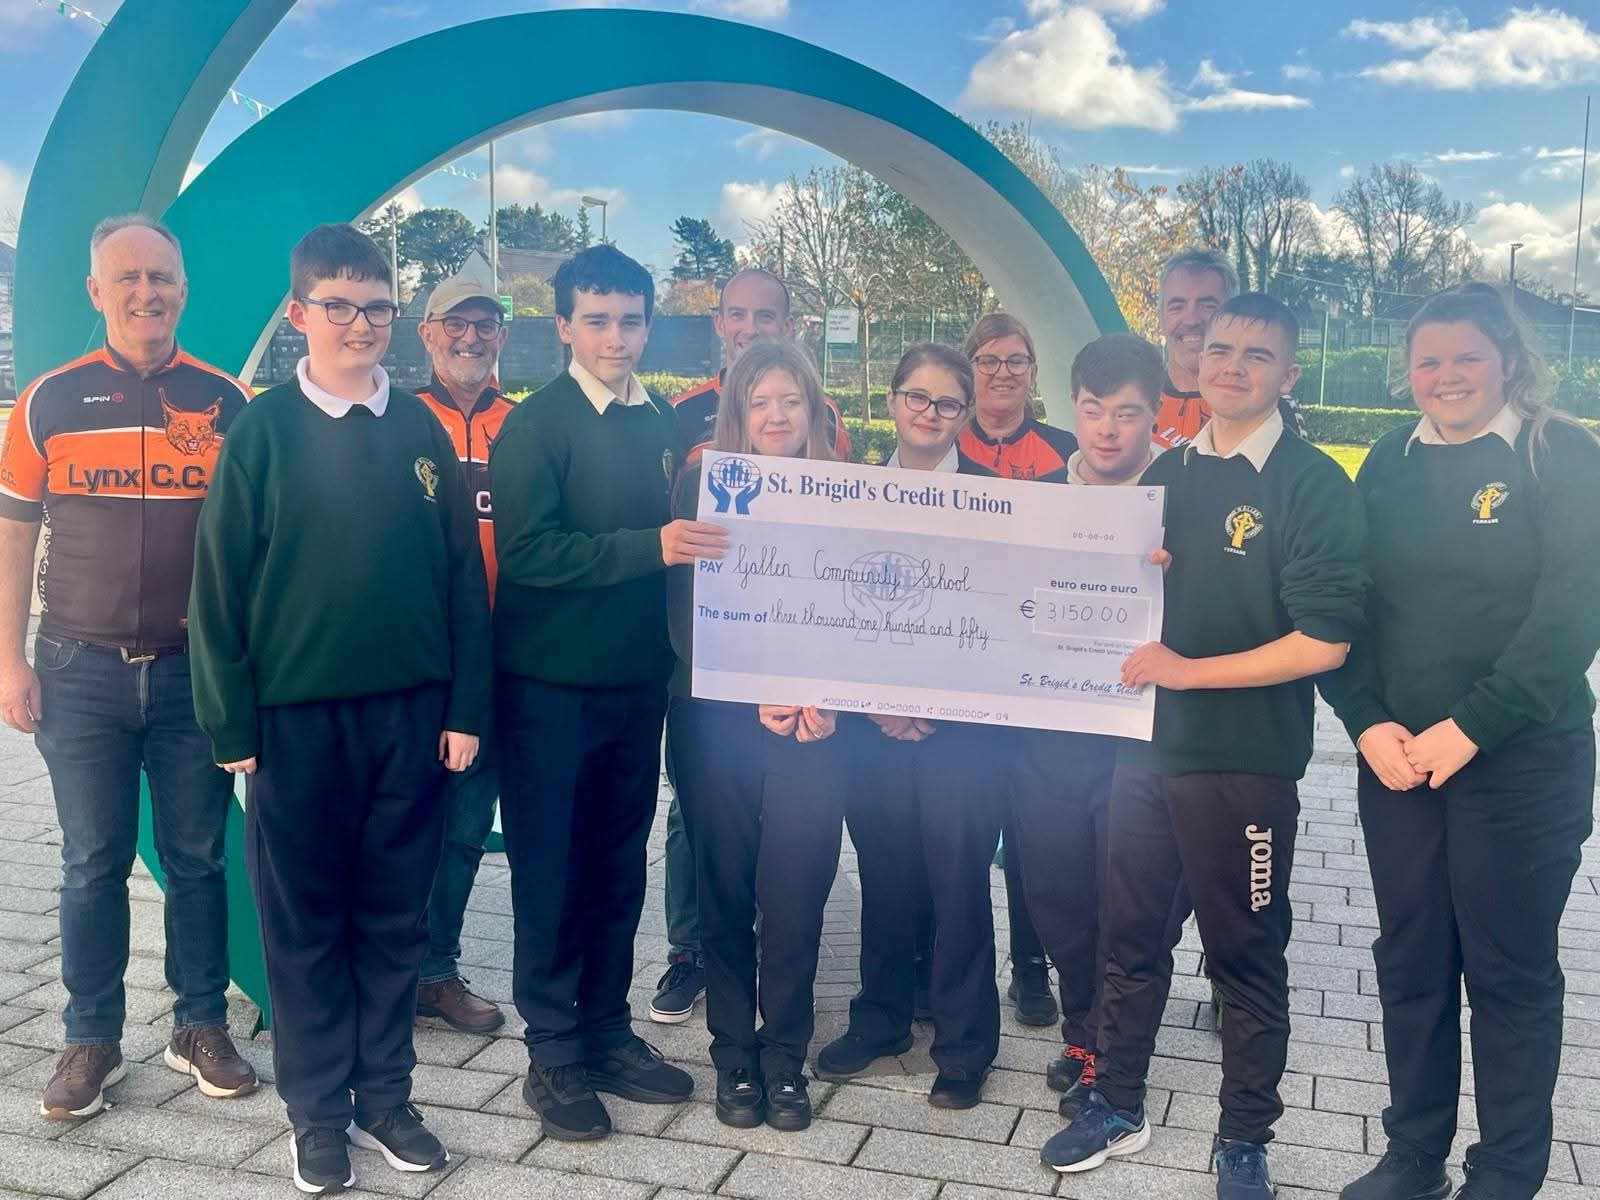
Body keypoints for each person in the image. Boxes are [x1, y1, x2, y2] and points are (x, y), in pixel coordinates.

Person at [1040, 295, 1367, 1200]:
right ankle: (1118, 1101)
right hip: (1148, 752)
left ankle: (1245, 1136)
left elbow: (1326, 642)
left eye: (1257, 356)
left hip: (1247, 763)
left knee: (1244, 955)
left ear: (1288, 374)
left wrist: (1186, 672)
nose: (1232, 366)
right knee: (1129, 938)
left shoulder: (1310, 482)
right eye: (1219, 349)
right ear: (1196, 361)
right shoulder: (1169, 474)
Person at [189, 223, 491, 1194]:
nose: (360, 324)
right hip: (295, 726)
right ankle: (317, 1113)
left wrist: (465, 708)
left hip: (411, 722)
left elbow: (461, 579)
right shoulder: (262, 431)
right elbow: (218, 588)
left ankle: (386, 1098)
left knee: (395, 922)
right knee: (306, 927)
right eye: (339, 306)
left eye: (377, 307)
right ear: (299, 312)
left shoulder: (421, 433)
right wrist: (232, 723)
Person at [1327, 284, 1600, 1200]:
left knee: (1508, 973)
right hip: (1401, 765)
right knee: (1411, 960)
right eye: (1428, 361)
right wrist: (1365, 719)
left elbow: (1571, 617)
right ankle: (1415, 1157)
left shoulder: (1560, 453)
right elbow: (1349, 603)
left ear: (1509, 361)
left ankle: (1506, 1174)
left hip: (1524, 763)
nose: (1446, 376)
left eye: (1467, 358)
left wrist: (1473, 727)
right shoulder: (1387, 461)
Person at [0, 214, 257, 1121]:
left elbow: (256, 546)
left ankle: (200, 1025)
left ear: (183, 290)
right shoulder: (48, 400)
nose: (147, 292)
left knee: (197, 859)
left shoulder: (230, 402)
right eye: (128, 277)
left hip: (195, 675)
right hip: (78, 670)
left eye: (161, 277)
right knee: (90, 863)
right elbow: (13, 536)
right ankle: (91, 1038)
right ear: (95, 291)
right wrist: (8, 660)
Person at [488, 243, 727, 1142]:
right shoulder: (535, 425)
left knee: (618, 868)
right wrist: (649, 547)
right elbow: (528, 554)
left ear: (648, 324)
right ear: (563, 327)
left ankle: (606, 1030)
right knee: (552, 874)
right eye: (596, 321)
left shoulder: (658, 417)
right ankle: (552, 1053)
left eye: (630, 321)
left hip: (635, 686)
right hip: (548, 691)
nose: (614, 337)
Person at [651, 267, 852, 1025]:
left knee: (795, 871)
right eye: (761, 403)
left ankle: (784, 1002)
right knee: (710, 852)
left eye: (790, 402)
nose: (776, 414)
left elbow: (847, 609)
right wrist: (748, 686)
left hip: (807, 717)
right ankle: (698, 967)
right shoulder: (694, 459)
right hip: (719, 708)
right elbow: (689, 608)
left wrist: (825, 692)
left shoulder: (839, 478)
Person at [816, 342, 1008, 1110]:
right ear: (892, 401)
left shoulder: (999, 502)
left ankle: (964, 1046)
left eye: (948, 402)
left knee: (959, 884)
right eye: (917, 397)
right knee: (886, 874)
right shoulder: (854, 495)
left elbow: (1005, 624)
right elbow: (833, 608)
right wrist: (876, 703)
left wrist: (938, 704)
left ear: (967, 413)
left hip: (965, 736)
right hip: (872, 731)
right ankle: (883, 1019)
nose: (931, 413)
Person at [1009, 333, 1165, 1115]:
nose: (1108, 429)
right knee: (1056, 893)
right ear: (1073, 407)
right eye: (1095, 410)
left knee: (1129, 903)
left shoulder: (1177, 504)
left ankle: (1117, 1048)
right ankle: (1082, 1030)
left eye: (1127, 414)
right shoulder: (1034, 498)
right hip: (1047, 735)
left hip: (1139, 740)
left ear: (1155, 415)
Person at [951, 312, 1071, 1028]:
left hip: (1037, 671)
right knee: (964, 830)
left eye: (1016, 360)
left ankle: (1032, 967)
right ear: (968, 369)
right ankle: (955, 971)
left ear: (1033, 370)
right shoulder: (942, 443)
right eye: (988, 359)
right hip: (962, 669)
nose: (1002, 372)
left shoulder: (1066, 451)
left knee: (1031, 835)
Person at [412, 274, 515, 1036]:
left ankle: (435, 970)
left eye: (485, 325)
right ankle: (391, 968)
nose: (470, 337)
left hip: (506, 657)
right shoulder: (401, 419)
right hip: (420, 657)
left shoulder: (525, 426)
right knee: (405, 821)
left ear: (503, 337)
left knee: (467, 824)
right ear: (427, 332)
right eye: (455, 323)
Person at [1154, 249, 1307, 449]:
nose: (1191, 320)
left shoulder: (1273, 407)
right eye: (1177, 307)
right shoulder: (1135, 398)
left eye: (1207, 306)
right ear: (1160, 317)